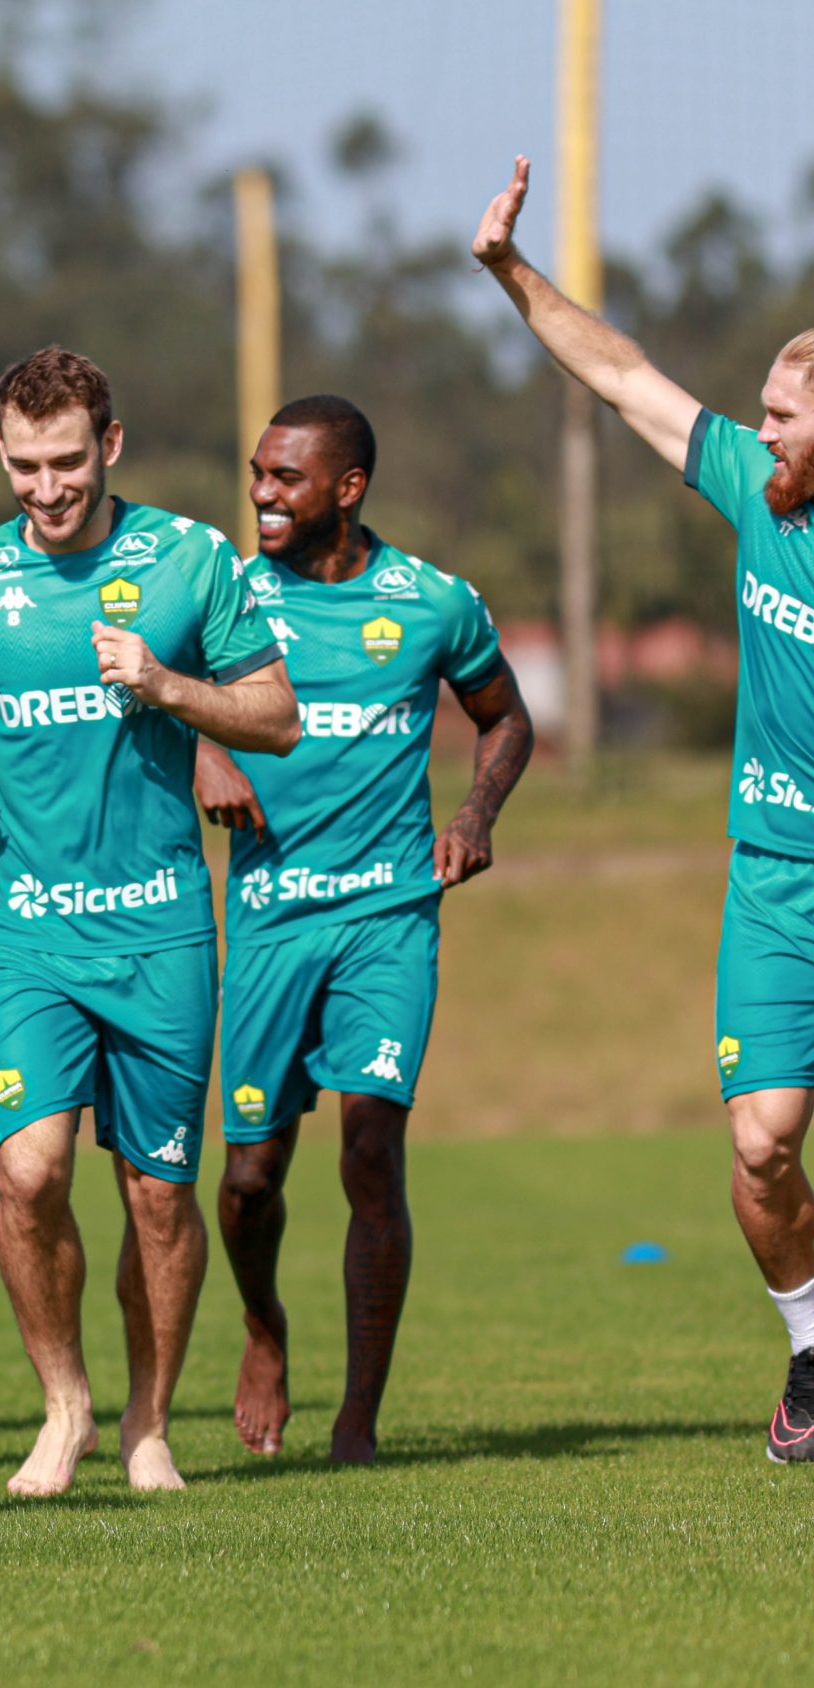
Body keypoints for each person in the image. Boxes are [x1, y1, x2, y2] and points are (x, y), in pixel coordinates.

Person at [0, 345, 299, 1496]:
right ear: (1, 456)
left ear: (109, 446)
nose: (45, 487)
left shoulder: (187, 561)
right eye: (24, 466)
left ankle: (147, 1425)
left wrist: (171, 689)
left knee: (157, 1193)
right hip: (22, 928)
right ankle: (64, 1405)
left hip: (160, 928)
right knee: (28, 1172)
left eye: (67, 461)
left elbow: (275, 714)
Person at [473, 157, 814, 1461]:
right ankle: (809, 1351)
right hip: (777, 873)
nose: (762, 426)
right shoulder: (750, 486)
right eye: (766, 409)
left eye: (786, 414)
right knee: (763, 1144)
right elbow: (618, 373)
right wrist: (512, 273)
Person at [193, 396, 533, 1463]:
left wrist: (474, 814)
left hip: (388, 913)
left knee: (372, 1151)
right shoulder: (227, 596)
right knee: (248, 1182)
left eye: (285, 478)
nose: (261, 494)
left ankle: (358, 1421)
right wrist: (204, 750)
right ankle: (263, 1329)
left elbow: (505, 717)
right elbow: (150, 699)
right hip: (266, 917)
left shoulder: (432, 603)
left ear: (347, 489)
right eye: (256, 472)